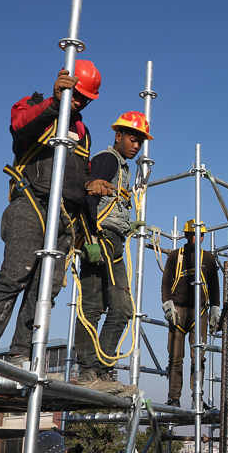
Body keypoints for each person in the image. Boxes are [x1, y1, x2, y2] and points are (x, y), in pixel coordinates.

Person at [0, 61, 114, 383]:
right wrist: (55, 103)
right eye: (77, 95)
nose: (80, 102)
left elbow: (77, 178)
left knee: (44, 289)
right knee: (15, 276)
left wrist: (89, 189)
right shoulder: (33, 106)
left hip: (64, 217)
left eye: (85, 98)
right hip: (31, 206)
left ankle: (19, 353)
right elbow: (20, 128)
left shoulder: (83, 133)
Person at [74, 111, 153, 395]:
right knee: (109, 307)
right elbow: (88, 195)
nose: (136, 146)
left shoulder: (122, 166)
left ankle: (98, 369)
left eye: (140, 142)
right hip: (102, 240)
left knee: (104, 307)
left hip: (112, 238)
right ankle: (90, 370)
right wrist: (91, 237)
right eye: (133, 139)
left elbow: (108, 202)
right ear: (118, 135)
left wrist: (126, 223)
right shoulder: (107, 159)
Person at [160, 220, 221, 408]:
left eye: (200, 235)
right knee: (175, 357)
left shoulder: (208, 258)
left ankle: (197, 399)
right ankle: (174, 399)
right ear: (186, 235)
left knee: (198, 357)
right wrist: (168, 305)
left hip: (199, 312)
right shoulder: (175, 256)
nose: (197, 237)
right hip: (178, 311)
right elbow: (166, 283)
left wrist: (215, 308)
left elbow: (214, 287)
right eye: (193, 234)